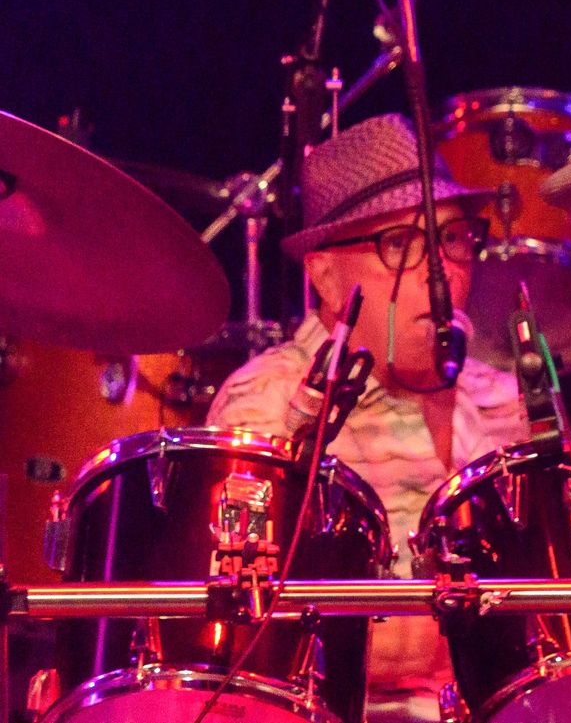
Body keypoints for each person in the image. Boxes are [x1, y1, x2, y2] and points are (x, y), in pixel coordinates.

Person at [208, 113, 532, 723]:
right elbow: (251, 642)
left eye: (454, 238)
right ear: (326, 277)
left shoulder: (504, 399)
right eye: (401, 245)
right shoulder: (266, 404)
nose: (441, 271)